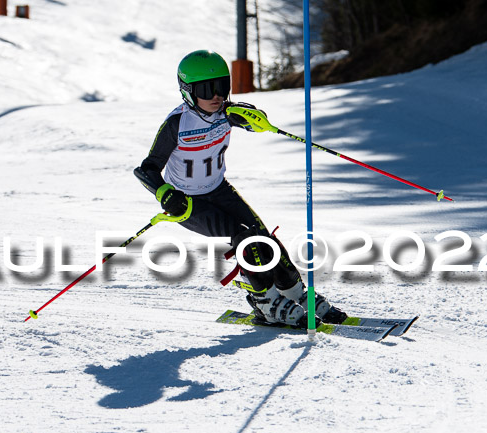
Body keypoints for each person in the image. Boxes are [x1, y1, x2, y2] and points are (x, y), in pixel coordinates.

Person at [134, 50, 347, 328]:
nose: (216, 96)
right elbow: (146, 169)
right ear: (187, 92)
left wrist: (256, 119)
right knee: (242, 236)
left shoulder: (226, 112)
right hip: (187, 202)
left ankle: (295, 292)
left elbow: (255, 119)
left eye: (222, 87)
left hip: (219, 188)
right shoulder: (177, 124)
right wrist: (165, 194)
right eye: (206, 90)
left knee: (261, 233)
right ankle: (265, 303)